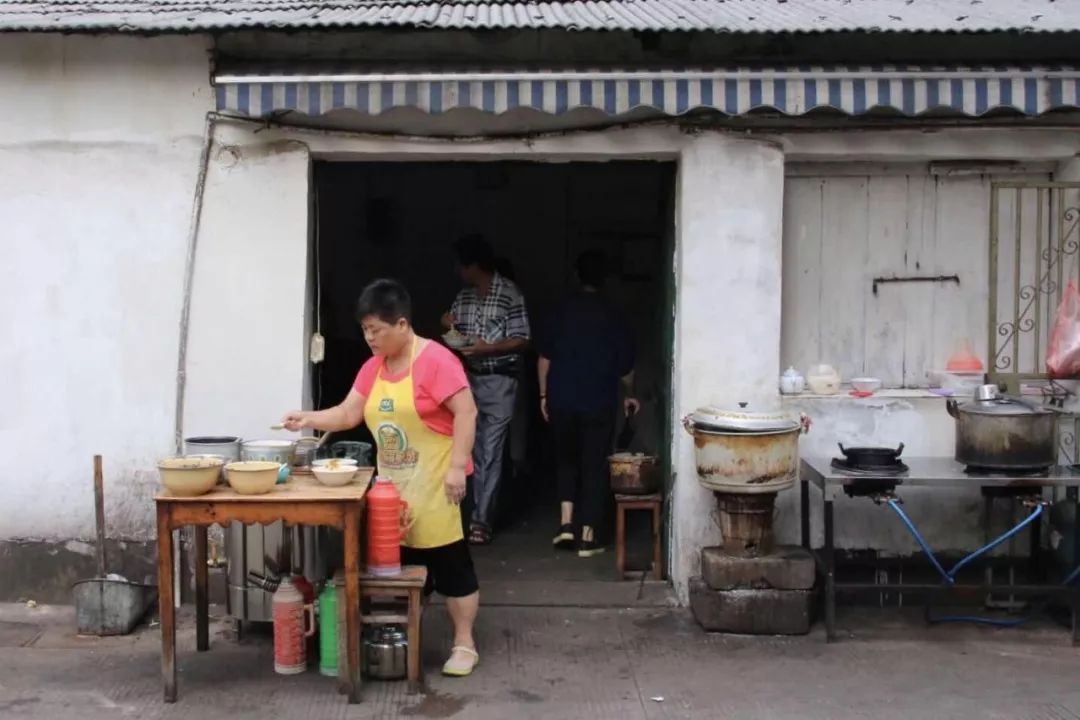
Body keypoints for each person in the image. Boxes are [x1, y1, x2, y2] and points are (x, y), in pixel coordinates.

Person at [282, 279, 481, 677]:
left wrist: (458, 466)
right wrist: (308, 418)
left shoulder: (437, 360)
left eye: (377, 329)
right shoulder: (373, 368)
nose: (369, 337)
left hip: (442, 485)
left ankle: (464, 643)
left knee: (452, 566)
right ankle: (407, 641)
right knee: (401, 567)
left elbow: (467, 412)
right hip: (395, 491)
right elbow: (348, 413)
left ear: (402, 324)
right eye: (365, 330)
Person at [537, 250, 639, 557]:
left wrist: (544, 395)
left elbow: (545, 357)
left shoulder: (559, 311)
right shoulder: (614, 315)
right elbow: (625, 367)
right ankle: (589, 536)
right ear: (604, 280)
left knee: (566, 461)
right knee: (594, 465)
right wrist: (629, 394)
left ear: (576, 276)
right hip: (598, 401)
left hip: (562, 399)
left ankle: (565, 525)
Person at [441, 234, 531, 546]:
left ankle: (481, 520)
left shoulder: (509, 292)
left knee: (490, 451)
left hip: (500, 381)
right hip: (468, 381)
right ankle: (467, 513)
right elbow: (453, 329)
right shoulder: (463, 297)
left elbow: (522, 338)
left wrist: (488, 348)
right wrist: (447, 322)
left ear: (473, 265)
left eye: (459, 265)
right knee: (469, 448)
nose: (456, 271)